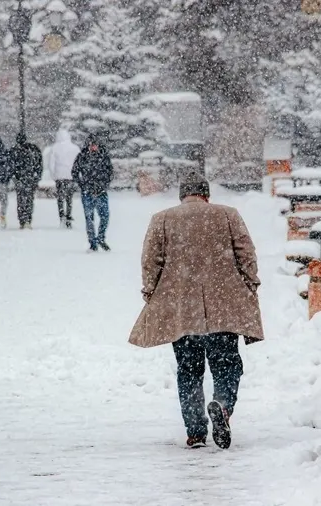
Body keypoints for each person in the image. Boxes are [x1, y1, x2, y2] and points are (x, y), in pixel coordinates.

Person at [128, 172, 264, 449]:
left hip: (181, 308)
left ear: (182, 196)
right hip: (224, 305)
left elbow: (150, 261)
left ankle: (195, 431)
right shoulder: (227, 215)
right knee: (226, 363)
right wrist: (250, 286)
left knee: (188, 369)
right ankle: (223, 407)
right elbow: (246, 253)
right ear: (206, 194)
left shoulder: (163, 219)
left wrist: (151, 292)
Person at [71, 134, 113, 252]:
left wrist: (104, 184)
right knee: (89, 218)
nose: (93, 148)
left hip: (101, 192)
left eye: (95, 145)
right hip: (87, 192)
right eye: (91, 145)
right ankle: (92, 242)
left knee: (105, 216)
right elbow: (74, 172)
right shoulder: (82, 157)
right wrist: (82, 184)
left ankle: (101, 238)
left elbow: (110, 172)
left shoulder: (104, 157)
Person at [9, 132, 43, 229]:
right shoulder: (33, 149)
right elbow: (39, 164)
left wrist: (14, 177)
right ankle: (28, 218)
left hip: (20, 179)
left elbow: (11, 166)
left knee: (20, 199)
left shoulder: (14, 150)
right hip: (30, 178)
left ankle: (22, 220)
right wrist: (37, 176)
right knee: (29, 199)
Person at [46, 129, 80, 229]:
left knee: (60, 198)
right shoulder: (75, 148)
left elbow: (51, 164)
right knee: (69, 198)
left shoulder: (55, 148)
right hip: (70, 176)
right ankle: (69, 216)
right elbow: (78, 163)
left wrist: (54, 175)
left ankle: (62, 216)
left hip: (59, 177)